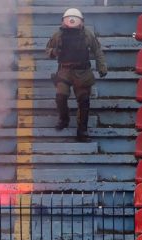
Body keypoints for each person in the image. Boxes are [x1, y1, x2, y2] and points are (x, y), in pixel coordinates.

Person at [46, 8, 107, 142]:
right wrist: (54, 52)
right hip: (65, 71)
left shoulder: (87, 34)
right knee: (61, 96)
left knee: (84, 100)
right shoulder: (58, 35)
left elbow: (97, 50)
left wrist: (101, 66)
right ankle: (64, 118)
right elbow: (48, 49)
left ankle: (82, 131)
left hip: (83, 72)